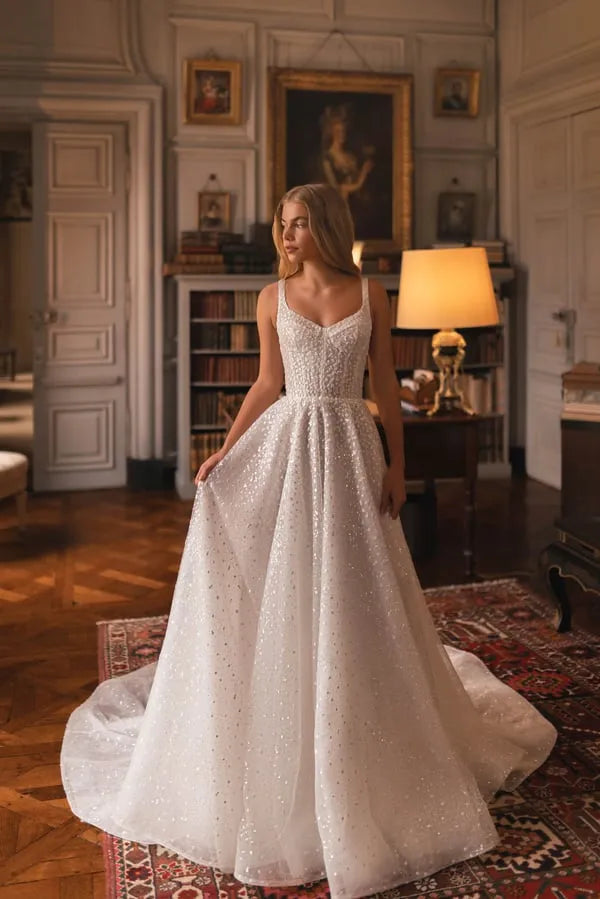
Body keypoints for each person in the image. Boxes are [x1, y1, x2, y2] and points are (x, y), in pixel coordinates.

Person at [60, 183, 556, 899]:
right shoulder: (271, 297)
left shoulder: (371, 291)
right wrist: (224, 451)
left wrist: (400, 466)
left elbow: (383, 381)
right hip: (293, 446)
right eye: (283, 226)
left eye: (298, 225)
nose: (287, 237)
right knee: (294, 578)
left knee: (356, 585)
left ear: (325, 225)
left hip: (352, 447)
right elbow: (266, 384)